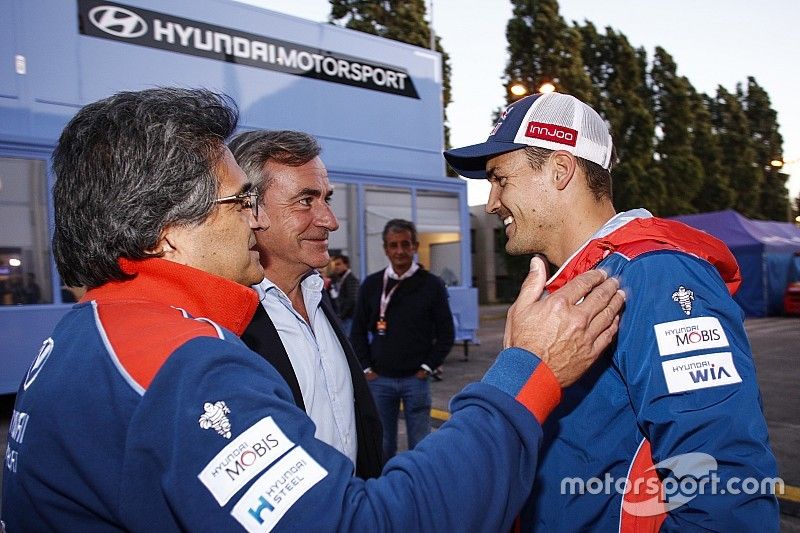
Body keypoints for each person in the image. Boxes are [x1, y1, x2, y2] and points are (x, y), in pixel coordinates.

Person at [1, 87, 625, 532]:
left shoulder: (86, 331)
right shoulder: (182, 367)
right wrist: (524, 375)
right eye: (238, 200)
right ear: (164, 230)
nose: (254, 218)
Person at [444, 91, 780, 531]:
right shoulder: (566, 288)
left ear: (561, 169)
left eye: (500, 179)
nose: (491, 203)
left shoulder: (657, 275)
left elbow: (725, 493)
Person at [228, 130, 383, 479]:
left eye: (325, 198)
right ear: (250, 209)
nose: (330, 220)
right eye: (305, 201)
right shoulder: (226, 324)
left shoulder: (316, 293)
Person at [350, 219, 454, 460]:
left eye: (405, 245)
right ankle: (387, 492)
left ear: (415, 246)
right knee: (383, 445)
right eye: (393, 245)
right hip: (379, 380)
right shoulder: (372, 285)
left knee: (420, 446)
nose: (399, 251)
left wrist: (426, 368)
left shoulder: (432, 285)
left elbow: (446, 333)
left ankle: (420, 494)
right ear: (385, 249)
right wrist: (366, 369)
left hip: (415, 380)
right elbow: (357, 332)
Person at [328, 254, 359, 333]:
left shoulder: (351, 280)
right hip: (344, 318)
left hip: (348, 318)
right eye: (335, 265)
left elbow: (352, 300)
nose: (336, 267)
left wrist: (341, 315)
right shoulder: (338, 279)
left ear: (346, 265)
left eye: (338, 264)